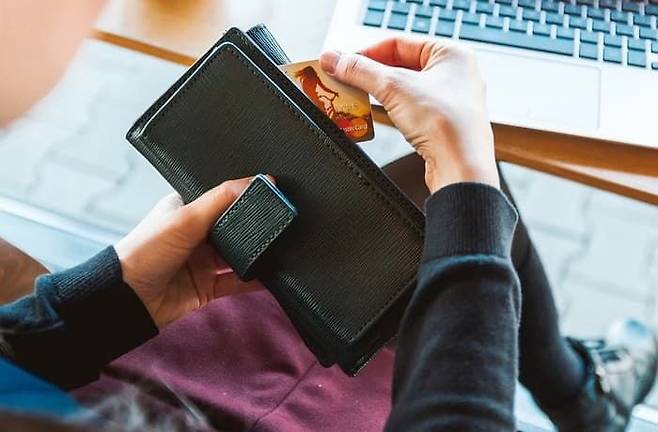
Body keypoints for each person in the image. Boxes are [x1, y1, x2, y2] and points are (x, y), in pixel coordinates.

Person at [0, 3, 656, 432]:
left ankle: (579, 395)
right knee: (461, 210)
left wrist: (101, 305)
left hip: (106, 368)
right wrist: (467, 174)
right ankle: (581, 399)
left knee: (426, 204)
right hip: (192, 401)